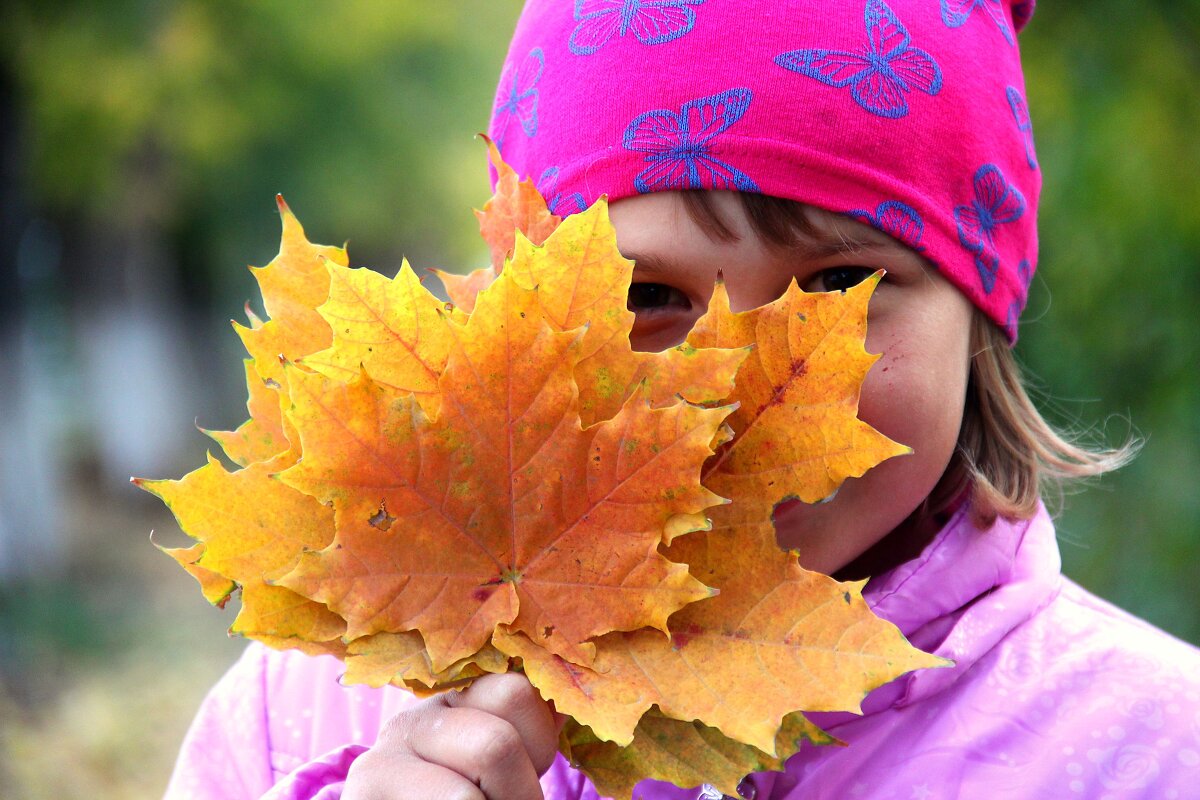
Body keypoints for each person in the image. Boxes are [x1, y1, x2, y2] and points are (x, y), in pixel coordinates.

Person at [165, 1, 1200, 798]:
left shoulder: (1148, 747)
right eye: (649, 299)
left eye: (839, 289)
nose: (732, 392)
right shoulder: (303, 718)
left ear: (980, 313)